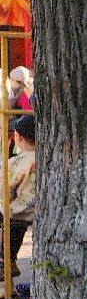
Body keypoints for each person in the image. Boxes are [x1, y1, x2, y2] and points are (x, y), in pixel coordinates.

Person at [4, 115, 34, 286]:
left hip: (19, 210)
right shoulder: (47, 157)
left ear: (18, 137)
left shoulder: (16, 162)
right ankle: (8, 261)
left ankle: (5, 264)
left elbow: (6, 191)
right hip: (35, 210)